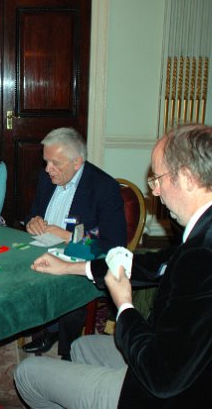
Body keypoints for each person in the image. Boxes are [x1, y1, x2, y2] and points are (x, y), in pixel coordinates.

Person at [14, 124, 212, 408]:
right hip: (208, 362)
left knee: (28, 373)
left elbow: (162, 376)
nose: (155, 192)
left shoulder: (208, 257)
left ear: (187, 178)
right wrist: (72, 267)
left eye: (157, 179)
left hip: (182, 393)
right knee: (80, 347)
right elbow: (156, 264)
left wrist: (124, 305)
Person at [22, 127, 127, 357]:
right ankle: (43, 330)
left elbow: (115, 245)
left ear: (77, 162)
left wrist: (69, 237)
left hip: (79, 261)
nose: (47, 169)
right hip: (43, 250)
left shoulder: (103, 187)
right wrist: (32, 222)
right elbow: (31, 214)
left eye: (55, 163)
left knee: (68, 287)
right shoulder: (47, 178)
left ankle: (67, 350)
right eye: (46, 161)